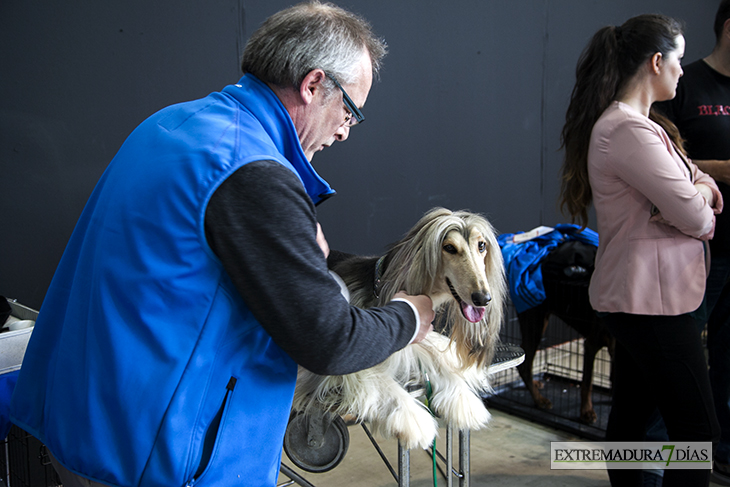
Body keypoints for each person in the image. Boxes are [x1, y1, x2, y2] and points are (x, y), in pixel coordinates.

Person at [9, 3, 436, 487]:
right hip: (151, 459)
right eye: (351, 111)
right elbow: (330, 340)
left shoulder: (174, 124)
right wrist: (408, 316)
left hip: (86, 423)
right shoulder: (252, 173)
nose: (344, 130)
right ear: (314, 85)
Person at [559, 13, 723, 487]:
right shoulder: (628, 131)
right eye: (678, 58)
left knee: (633, 417)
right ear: (656, 62)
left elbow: (701, 184)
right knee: (696, 432)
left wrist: (697, 193)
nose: (683, 70)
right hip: (652, 304)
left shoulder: (643, 127)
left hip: (645, 299)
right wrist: (701, 203)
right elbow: (696, 216)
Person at [653, 2, 730, 483]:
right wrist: (720, 174)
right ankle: (658, 463)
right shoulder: (687, 84)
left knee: (727, 356)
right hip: (698, 251)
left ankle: (718, 450)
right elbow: (667, 162)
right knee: (677, 364)